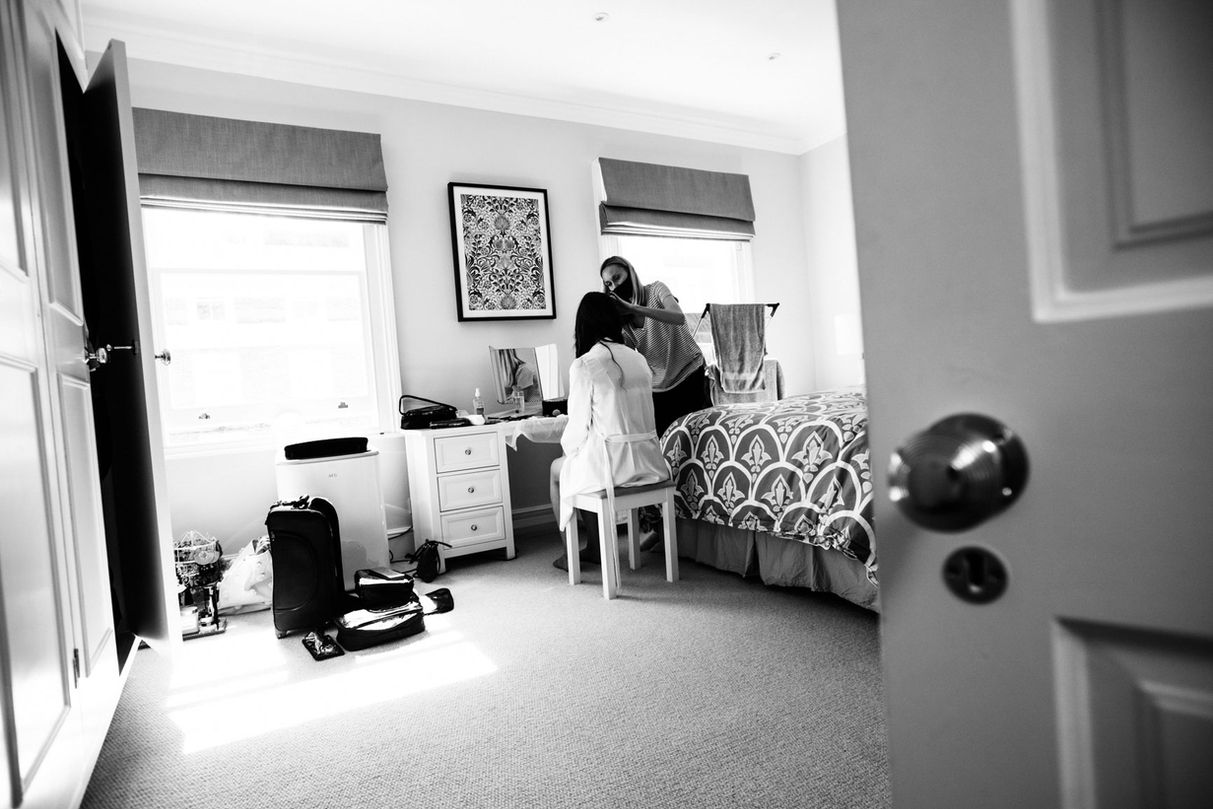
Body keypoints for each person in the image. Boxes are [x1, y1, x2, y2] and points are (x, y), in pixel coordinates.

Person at [549, 292, 670, 570]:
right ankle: (594, 547)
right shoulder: (638, 359)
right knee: (582, 464)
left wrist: (570, 452)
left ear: (583, 325)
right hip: (650, 462)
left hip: (612, 467)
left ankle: (573, 554)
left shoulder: (585, 364)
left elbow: (577, 427)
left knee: (559, 469)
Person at [599, 256, 710, 437]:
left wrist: (634, 308)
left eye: (617, 278)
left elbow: (678, 316)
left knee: (698, 437)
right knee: (666, 441)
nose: (615, 286)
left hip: (690, 373)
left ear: (630, 272)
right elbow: (628, 356)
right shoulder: (624, 321)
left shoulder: (657, 290)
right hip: (659, 387)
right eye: (609, 284)